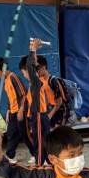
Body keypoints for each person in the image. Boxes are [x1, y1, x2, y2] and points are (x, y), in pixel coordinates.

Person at [0, 57, 36, 165]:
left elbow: (24, 94)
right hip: (12, 112)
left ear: (3, 69)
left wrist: (21, 110)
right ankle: (10, 156)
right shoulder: (6, 81)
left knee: (25, 134)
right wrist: (8, 111)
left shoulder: (14, 77)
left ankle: (36, 154)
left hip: (21, 112)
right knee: (11, 134)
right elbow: (10, 98)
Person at [19, 38, 51, 166]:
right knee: (43, 143)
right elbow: (32, 64)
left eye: (24, 72)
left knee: (39, 144)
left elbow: (31, 66)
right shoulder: (36, 82)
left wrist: (33, 50)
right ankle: (49, 164)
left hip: (38, 116)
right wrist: (32, 50)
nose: (24, 75)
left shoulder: (36, 81)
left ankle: (39, 167)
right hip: (39, 116)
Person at [36, 55, 68, 129]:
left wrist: (50, 114)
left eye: (37, 69)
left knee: (58, 131)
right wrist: (46, 105)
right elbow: (52, 98)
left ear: (43, 68)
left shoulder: (53, 81)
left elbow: (59, 102)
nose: (37, 72)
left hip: (61, 110)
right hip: (54, 108)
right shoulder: (43, 80)